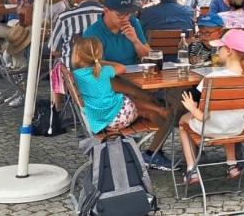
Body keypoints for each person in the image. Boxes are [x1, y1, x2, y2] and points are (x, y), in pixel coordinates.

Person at [70, 36, 174, 170]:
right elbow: (122, 68)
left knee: (127, 99)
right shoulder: (103, 71)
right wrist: (100, 61)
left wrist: (95, 61)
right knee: (129, 99)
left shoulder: (76, 75)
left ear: (76, 56)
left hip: (99, 121)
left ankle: (158, 116)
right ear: (99, 54)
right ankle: (160, 111)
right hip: (117, 118)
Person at [178, 29, 244, 185]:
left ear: (229, 51)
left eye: (221, 47)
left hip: (211, 129)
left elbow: (203, 117)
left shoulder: (211, 79)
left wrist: (191, 108)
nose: (218, 50)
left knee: (183, 122)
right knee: (228, 116)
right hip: (236, 128)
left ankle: (192, 169)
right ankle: (232, 164)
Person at [83, 0, 151, 66]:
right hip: (110, 76)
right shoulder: (93, 33)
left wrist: (136, 41)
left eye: (128, 14)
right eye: (120, 15)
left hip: (134, 74)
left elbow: (149, 59)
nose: (125, 19)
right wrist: (121, 68)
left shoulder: (133, 23)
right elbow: (96, 66)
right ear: (106, 10)